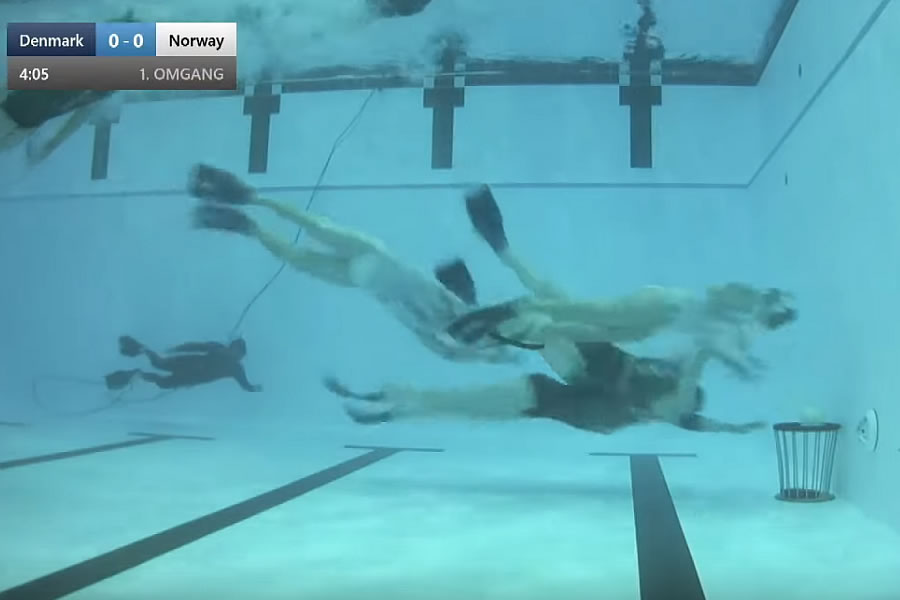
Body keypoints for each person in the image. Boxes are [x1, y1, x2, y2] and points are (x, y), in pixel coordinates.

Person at [322, 185, 768, 435]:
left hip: (593, 399)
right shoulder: (672, 382)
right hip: (601, 361)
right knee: (556, 309)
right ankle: (501, 260)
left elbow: (698, 370)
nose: (675, 381)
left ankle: (484, 307)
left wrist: (723, 369)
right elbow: (695, 358)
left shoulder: (677, 403)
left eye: (679, 392)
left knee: (544, 338)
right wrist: (738, 421)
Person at [185, 163, 523, 364]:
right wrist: (493, 350)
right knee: (315, 226)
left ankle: (245, 225)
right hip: (372, 256)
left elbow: (448, 353)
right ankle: (246, 195)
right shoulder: (457, 311)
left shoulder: (436, 333)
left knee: (296, 259)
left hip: (361, 279)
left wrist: (488, 356)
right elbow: (472, 320)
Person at [446, 186, 797, 377]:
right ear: (771, 303)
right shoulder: (747, 305)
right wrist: (746, 309)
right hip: (665, 307)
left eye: (780, 317)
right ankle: (511, 308)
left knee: (583, 324)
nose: (776, 319)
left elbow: (709, 345)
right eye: (779, 312)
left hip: (655, 325)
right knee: (585, 313)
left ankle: (502, 267)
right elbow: (715, 295)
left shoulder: (748, 329)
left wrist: (738, 362)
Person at [104, 335, 262, 392]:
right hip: (188, 366)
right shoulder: (220, 351)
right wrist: (177, 349)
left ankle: (138, 373)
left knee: (163, 381)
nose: (237, 355)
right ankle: (141, 352)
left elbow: (245, 385)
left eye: (238, 354)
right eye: (236, 351)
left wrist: (255, 388)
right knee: (159, 364)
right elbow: (195, 346)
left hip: (192, 375)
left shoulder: (236, 368)